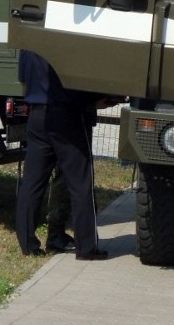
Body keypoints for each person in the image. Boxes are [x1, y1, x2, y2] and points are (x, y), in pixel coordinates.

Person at [15, 49, 108, 260]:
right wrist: (93, 101)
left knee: (32, 182)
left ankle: (28, 245)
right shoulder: (65, 43)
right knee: (80, 182)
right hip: (67, 115)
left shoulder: (28, 46)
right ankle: (86, 247)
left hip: (37, 114)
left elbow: (22, 77)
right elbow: (76, 83)